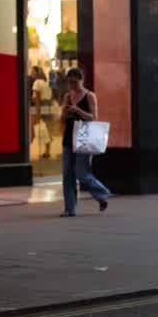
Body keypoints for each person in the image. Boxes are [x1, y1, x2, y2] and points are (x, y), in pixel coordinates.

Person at [59, 67, 110, 217]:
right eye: (70, 82)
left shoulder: (89, 96)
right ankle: (70, 209)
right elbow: (62, 120)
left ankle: (102, 194)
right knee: (67, 174)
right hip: (68, 137)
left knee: (81, 173)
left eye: (75, 82)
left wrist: (77, 111)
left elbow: (94, 117)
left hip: (84, 137)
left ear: (82, 80)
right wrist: (65, 113)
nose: (72, 86)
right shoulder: (67, 96)